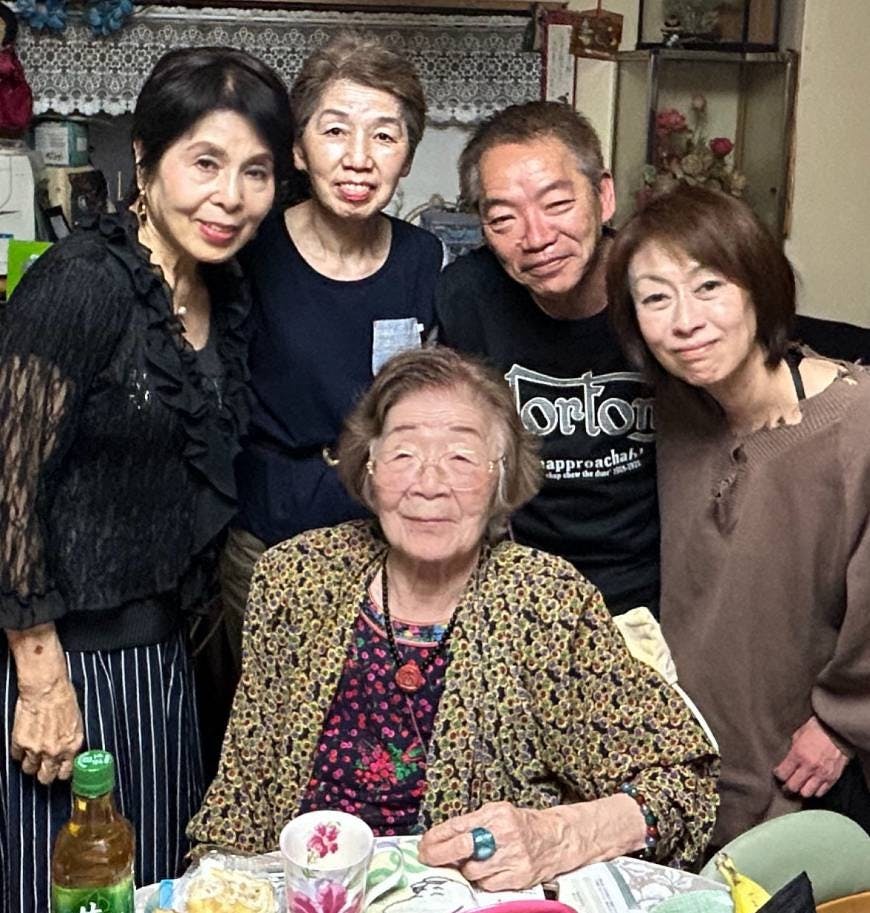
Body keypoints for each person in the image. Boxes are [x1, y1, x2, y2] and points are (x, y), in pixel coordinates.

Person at [188, 347, 718, 885]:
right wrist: (212, 885)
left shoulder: (545, 602)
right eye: (403, 454)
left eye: (461, 458)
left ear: (501, 477)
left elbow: (682, 785)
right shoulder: (298, 578)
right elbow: (242, 794)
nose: (428, 484)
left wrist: (555, 836)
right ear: (369, 469)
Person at [0, 46, 292, 910]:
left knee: (157, 882)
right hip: (64, 660)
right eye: (205, 162)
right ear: (144, 156)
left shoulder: (219, 289)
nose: (229, 196)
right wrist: (41, 679)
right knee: (70, 889)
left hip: (160, 662)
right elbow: (7, 486)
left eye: (255, 172)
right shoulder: (82, 285)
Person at [606, 183, 870, 847]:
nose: (685, 321)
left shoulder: (856, 423)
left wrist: (843, 723)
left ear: (759, 288)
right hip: (693, 761)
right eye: (656, 299)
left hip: (808, 771)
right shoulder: (679, 414)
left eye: (709, 287)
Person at [220, 33, 443, 673]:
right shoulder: (251, 251)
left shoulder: (421, 259)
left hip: (385, 541)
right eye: (335, 131)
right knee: (271, 718)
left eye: (384, 136)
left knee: (378, 721)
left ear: (406, 157)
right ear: (298, 148)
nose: (358, 159)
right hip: (269, 538)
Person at [435, 101, 659, 617]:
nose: (536, 238)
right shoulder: (467, 296)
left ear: (604, 196)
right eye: (503, 218)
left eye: (557, 204)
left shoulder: (659, 284)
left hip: (661, 584)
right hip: (525, 588)